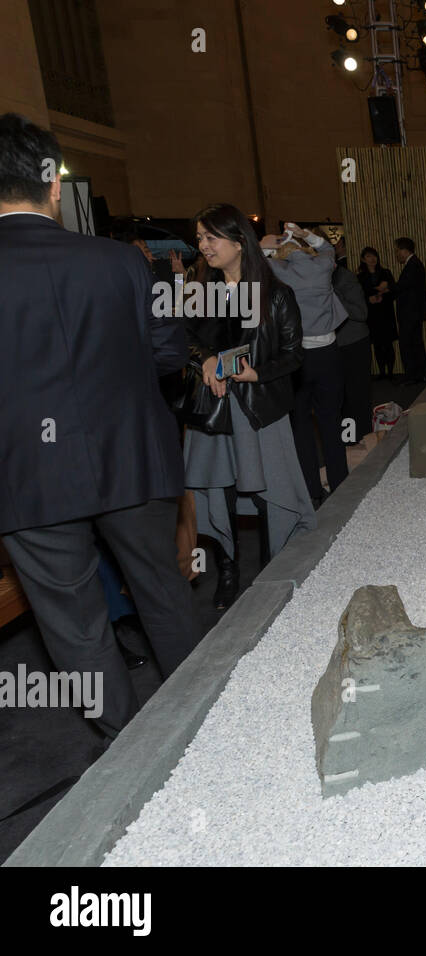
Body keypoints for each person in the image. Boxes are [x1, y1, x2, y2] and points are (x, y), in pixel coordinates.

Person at [0, 113, 199, 738]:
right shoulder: (126, 262)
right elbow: (169, 356)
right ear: (53, 187)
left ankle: (127, 752)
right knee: (163, 592)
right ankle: (210, 720)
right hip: (131, 456)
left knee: (76, 628)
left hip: (27, 477)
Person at [184, 204, 315, 609]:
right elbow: (179, 341)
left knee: (266, 493)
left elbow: (293, 355)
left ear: (239, 243)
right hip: (211, 410)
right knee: (218, 488)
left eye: (212, 238)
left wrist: (255, 374)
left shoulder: (276, 295)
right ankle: (227, 570)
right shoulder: (199, 293)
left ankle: (271, 570)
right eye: (201, 238)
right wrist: (204, 359)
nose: (204, 246)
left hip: (256, 410)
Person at [263, 224, 350, 507]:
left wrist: (269, 243)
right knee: (330, 421)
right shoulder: (323, 266)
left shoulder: (280, 272)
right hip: (329, 354)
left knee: (301, 426)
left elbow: (256, 259)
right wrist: (303, 234)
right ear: (305, 251)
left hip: (297, 359)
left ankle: (312, 490)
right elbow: (328, 248)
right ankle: (341, 484)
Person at [331, 239, 373, 442]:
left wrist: (334, 295)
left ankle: (362, 440)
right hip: (334, 347)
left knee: (357, 397)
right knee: (341, 399)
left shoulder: (344, 279)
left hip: (354, 345)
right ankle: (349, 440)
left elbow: (361, 313)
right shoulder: (319, 281)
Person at [393, 236, 426, 384]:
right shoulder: (415, 264)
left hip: (410, 313)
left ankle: (411, 376)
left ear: (404, 250)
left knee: (408, 345)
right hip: (415, 313)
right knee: (416, 344)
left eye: (397, 251)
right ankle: (420, 374)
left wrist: (387, 287)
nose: (396, 254)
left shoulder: (413, 265)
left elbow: (403, 286)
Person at [358, 246, 397, 379]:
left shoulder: (386, 272)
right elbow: (358, 296)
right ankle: (382, 373)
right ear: (363, 259)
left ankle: (391, 372)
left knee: (388, 344)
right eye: (368, 256)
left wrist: (383, 295)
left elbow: (394, 291)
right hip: (372, 315)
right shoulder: (360, 277)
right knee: (377, 345)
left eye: (374, 255)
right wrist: (369, 299)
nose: (372, 259)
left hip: (386, 313)